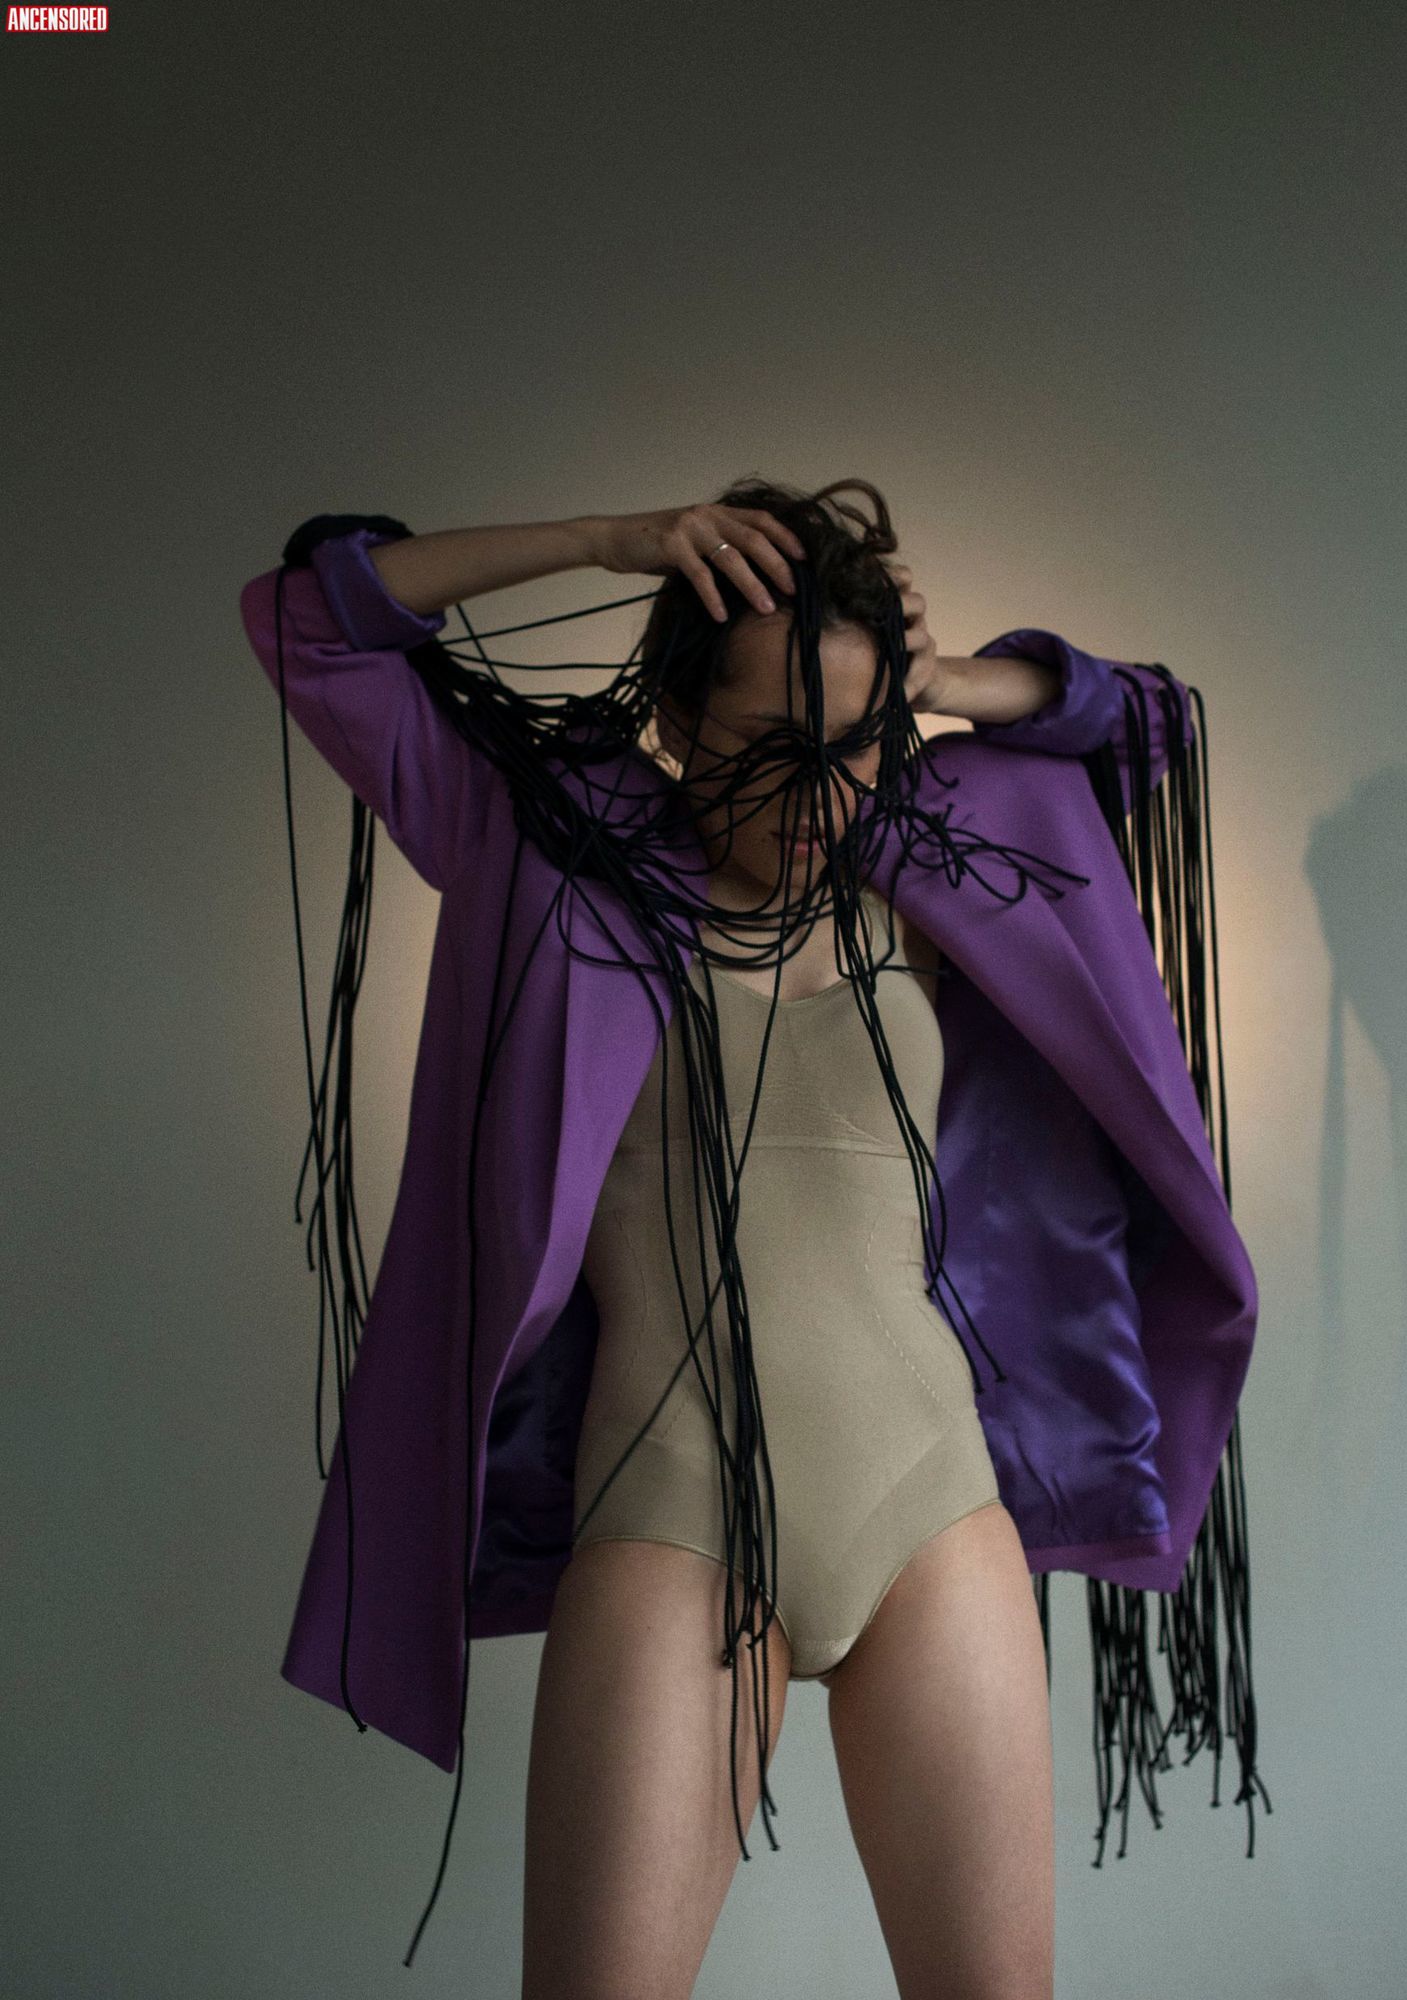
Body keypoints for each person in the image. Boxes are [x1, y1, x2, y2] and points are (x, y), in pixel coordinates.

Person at [238, 478, 1265, 1994]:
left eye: (853, 746)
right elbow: (312, 625)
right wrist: (604, 541)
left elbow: (1148, 728)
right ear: (673, 716)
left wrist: (941, 680)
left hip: (933, 1516)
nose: (816, 799)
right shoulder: (553, 849)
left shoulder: (941, 855)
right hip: (672, 1519)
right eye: (769, 746)